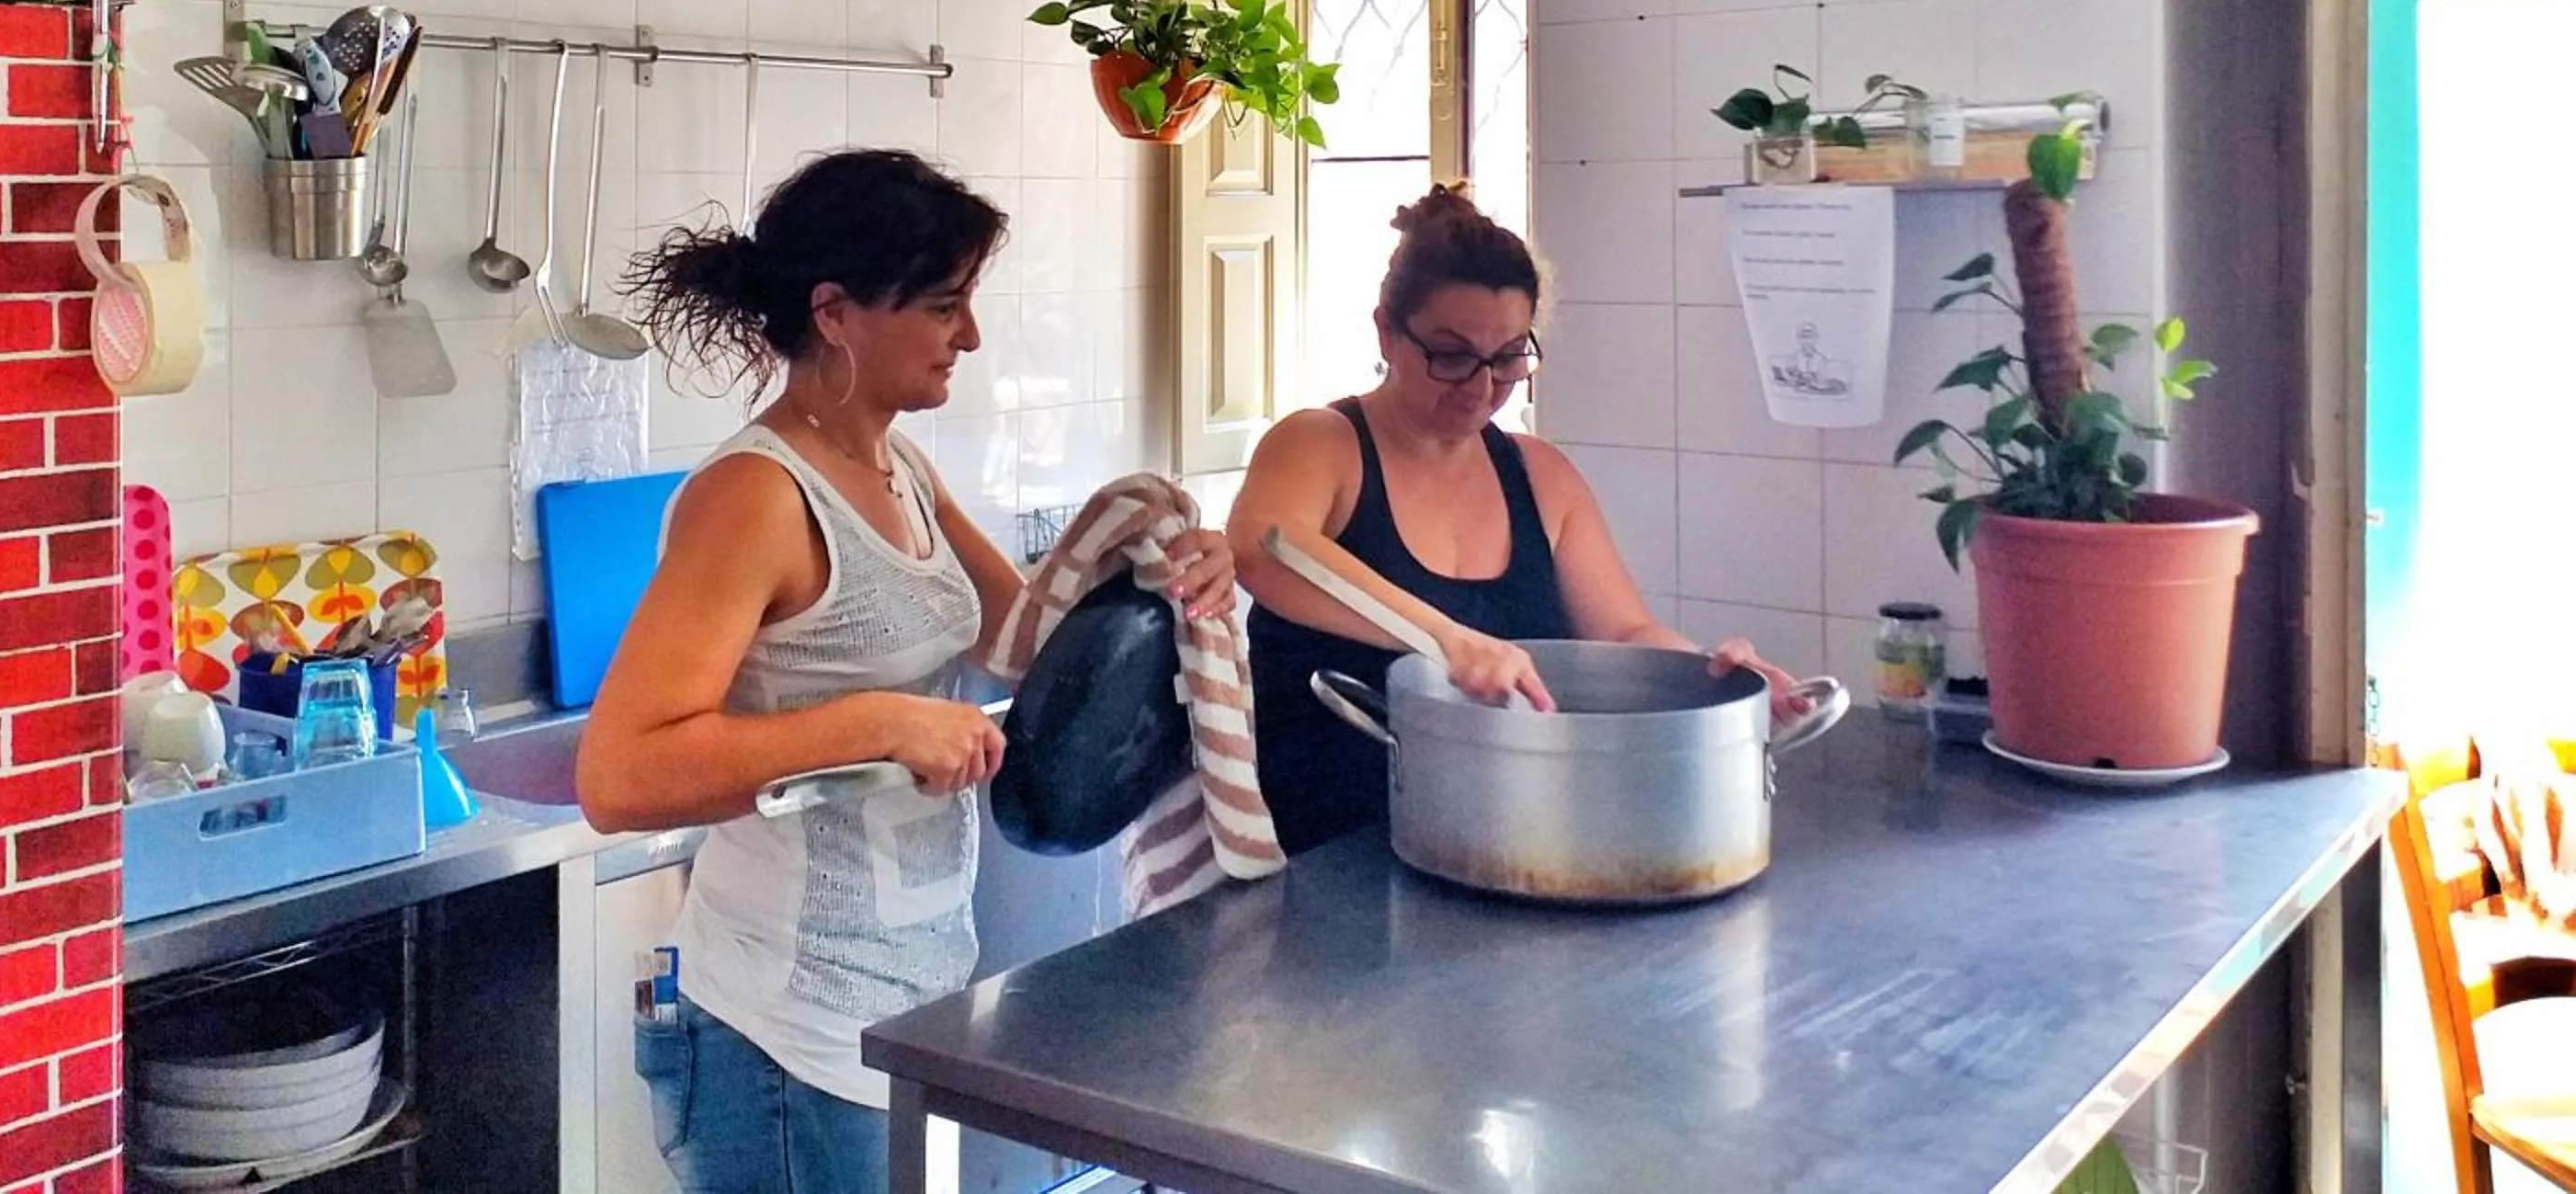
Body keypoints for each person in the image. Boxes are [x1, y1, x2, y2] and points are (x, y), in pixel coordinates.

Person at [576, 149, 1235, 1194]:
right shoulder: (755, 498)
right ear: (835, 314)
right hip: (782, 1040)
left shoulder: (901, 468)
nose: (969, 335)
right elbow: (620, 777)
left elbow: (1025, 633)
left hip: (901, 1009)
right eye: (943, 306)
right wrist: (877, 722)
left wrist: (1167, 567)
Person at [1231, 183, 1804, 854]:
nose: (1480, 386)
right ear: (1386, 330)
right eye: (1450, 355)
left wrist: (1721, 678)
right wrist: (1447, 640)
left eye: (1507, 358)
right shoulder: (1321, 444)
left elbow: (1622, 633)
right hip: (1328, 854)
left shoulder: (1541, 476)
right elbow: (1266, 548)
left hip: (1514, 841)